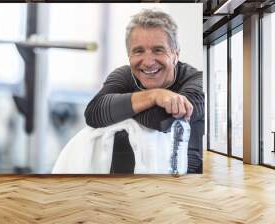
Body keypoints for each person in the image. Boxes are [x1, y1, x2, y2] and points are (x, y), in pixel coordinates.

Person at [84, 8, 205, 173]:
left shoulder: (196, 81)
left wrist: (120, 110)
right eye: (139, 51)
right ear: (129, 56)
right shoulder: (123, 75)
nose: (148, 62)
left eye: (158, 50)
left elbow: (161, 120)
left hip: (187, 185)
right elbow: (94, 112)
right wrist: (155, 96)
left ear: (175, 55)